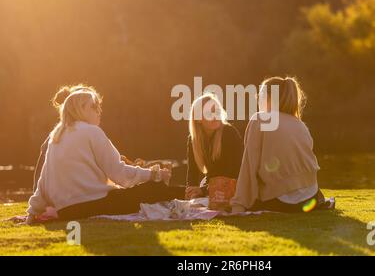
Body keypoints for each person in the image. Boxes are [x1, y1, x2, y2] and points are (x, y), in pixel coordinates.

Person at [26, 89, 184, 223]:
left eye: (99, 107)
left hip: (67, 211)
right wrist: (154, 174)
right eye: (94, 107)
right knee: (156, 188)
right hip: (94, 206)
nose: (99, 111)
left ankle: (195, 192)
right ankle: (198, 193)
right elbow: (119, 174)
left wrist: (32, 211)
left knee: (144, 190)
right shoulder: (91, 132)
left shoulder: (56, 136)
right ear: (80, 109)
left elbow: (43, 182)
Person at [231, 76, 333, 213]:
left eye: (260, 95)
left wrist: (239, 204)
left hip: (283, 201)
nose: (257, 99)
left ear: (269, 97)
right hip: (312, 196)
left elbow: (249, 166)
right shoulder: (300, 124)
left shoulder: (260, 119)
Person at [32, 84, 96, 192]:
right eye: (92, 107)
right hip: (59, 196)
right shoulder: (67, 136)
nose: (97, 111)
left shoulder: (61, 134)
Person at [185, 93, 243, 200]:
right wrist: (191, 190)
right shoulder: (193, 139)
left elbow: (230, 173)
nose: (215, 115)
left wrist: (202, 190)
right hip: (211, 186)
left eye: (217, 111)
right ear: (198, 119)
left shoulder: (229, 133)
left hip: (235, 184)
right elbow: (192, 173)